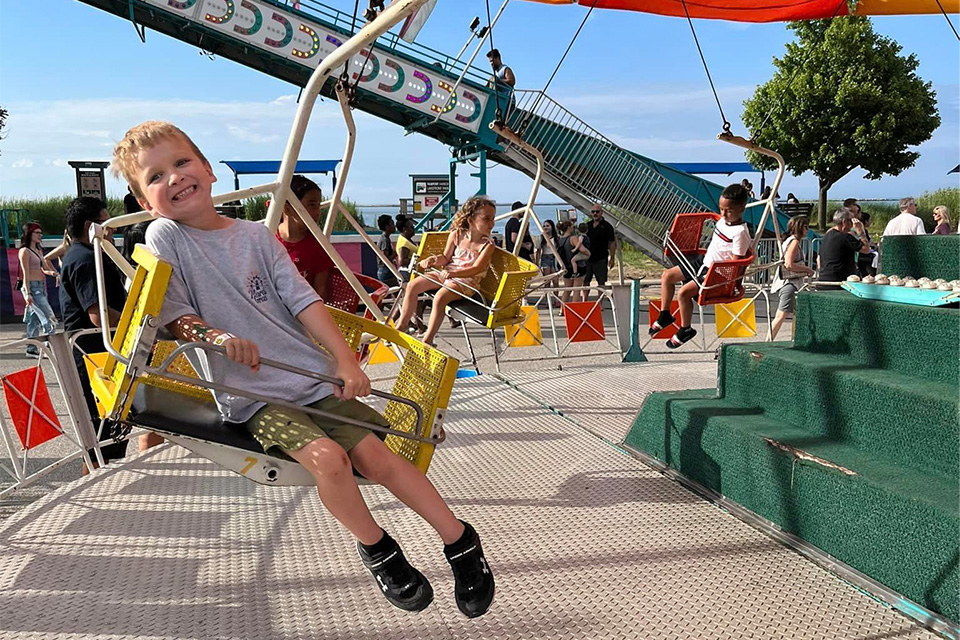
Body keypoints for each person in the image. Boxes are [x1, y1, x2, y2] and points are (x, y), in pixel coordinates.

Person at [113, 121, 494, 618]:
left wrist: (342, 360)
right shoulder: (167, 235)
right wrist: (219, 339)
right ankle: (378, 549)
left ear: (207, 169)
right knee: (329, 459)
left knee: (376, 456)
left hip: (308, 377)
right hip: (252, 395)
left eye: (182, 163)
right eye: (156, 176)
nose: (175, 178)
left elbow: (303, 301)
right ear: (145, 200)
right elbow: (176, 315)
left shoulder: (255, 236)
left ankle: (460, 541)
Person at [59, 197, 129, 469]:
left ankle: (98, 480)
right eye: (106, 224)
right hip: (95, 357)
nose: (111, 230)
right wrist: (135, 323)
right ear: (90, 226)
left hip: (92, 354)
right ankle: (97, 485)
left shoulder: (81, 255)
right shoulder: (86, 260)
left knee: (103, 438)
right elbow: (97, 315)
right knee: (103, 437)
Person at [651, 183, 751, 349]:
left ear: (741, 209)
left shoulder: (740, 233)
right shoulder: (722, 221)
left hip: (716, 272)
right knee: (667, 276)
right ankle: (665, 314)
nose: (723, 214)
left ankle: (686, 329)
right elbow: (715, 221)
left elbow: (736, 263)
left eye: (729, 211)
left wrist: (734, 284)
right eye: (721, 209)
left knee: (683, 293)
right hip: (704, 261)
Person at [396, 197, 496, 347]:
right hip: (447, 273)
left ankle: (428, 338)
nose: (492, 223)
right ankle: (403, 325)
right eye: (486, 218)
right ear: (470, 220)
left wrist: (454, 274)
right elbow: (445, 258)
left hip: (467, 281)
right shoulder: (456, 235)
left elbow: (476, 269)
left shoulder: (487, 245)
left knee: (440, 298)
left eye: (493, 219)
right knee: (412, 285)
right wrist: (432, 260)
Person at [276, 175, 334, 299]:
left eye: (318, 205)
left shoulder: (319, 245)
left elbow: (320, 292)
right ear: (287, 208)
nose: (317, 212)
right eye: (312, 205)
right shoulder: (267, 239)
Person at [769, 216, 815, 340]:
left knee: (787, 315)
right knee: (780, 316)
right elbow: (788, 264)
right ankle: (768, 341)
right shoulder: (794, 242)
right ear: (801, 228)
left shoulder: (789, 240)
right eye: (806, 227)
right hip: (790, 284)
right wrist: (807, 269)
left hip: (787, 283)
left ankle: (792, 339)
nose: (808, 230)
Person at [18, 223, 58, 357]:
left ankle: (31, 348)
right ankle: (48, 348)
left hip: (41, 286)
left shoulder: (38, 250)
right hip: (32, 288)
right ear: (30, 234)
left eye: (41, 233)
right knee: (49, 317)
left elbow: (43, 268)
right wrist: (28, 293)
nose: (40, 235)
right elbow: (26, 273)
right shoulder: (25, 251)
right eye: (37, 233)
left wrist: (52, 273)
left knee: (34, 319)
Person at [817, 208, 872, 284]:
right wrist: (860, 232)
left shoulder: (827, 235)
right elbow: (866, 249)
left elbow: (818, 260)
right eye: (851, 221)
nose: (853, 225)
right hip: (840, 283)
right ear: (844, 222)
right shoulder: (845, 237)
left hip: (824, 280)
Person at [583, 205, 617, 298]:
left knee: (601, 282)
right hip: (587, 258)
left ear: (601, 212)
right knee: (585, 281)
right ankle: (584, 301)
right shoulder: (587, 225)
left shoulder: (607, 226)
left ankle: (600, 303)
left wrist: (612, 258)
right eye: (593, 212)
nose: (595, 214)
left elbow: (612, 243)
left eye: (597, 212)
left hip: (601, 257)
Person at [556, 219, 589, 312]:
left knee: (567, 289)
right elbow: (583, 250)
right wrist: (588, 253)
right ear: (569, 228)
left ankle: (562, 310)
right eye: (573, 226)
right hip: (578, 266)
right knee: (576, 289)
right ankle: (575, 311)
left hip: (566, 267)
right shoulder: (573, 238)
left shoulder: (560, 239)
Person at [486, 49, 515, 120]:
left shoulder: (505, 69)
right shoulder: (497, 73)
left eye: (492, 61)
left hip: (507, 101)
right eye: (490, 61)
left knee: (493, 79)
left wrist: (499, 81)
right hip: (500, 100)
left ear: (498, 58)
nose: (491, 63)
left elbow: (512, 81)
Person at [376, 214, 399, 287]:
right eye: (392, 224)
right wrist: (396, 252)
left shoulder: (385, 238)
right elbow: (385, 260)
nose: (394, 226)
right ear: (387, 227)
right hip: (385, 272)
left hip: (384, 271)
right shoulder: (384, 240)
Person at [535, 219, 559, 283]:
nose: (545, 227)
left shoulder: (556, 237)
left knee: (555, 281)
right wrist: (537, 263)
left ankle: (555, 293)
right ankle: (547, 293)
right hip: (545, 257)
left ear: (552, 227)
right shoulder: (541, 237)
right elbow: (538, 251)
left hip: (555, 258)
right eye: (544, 226)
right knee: (547, 280)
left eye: (548, 226)